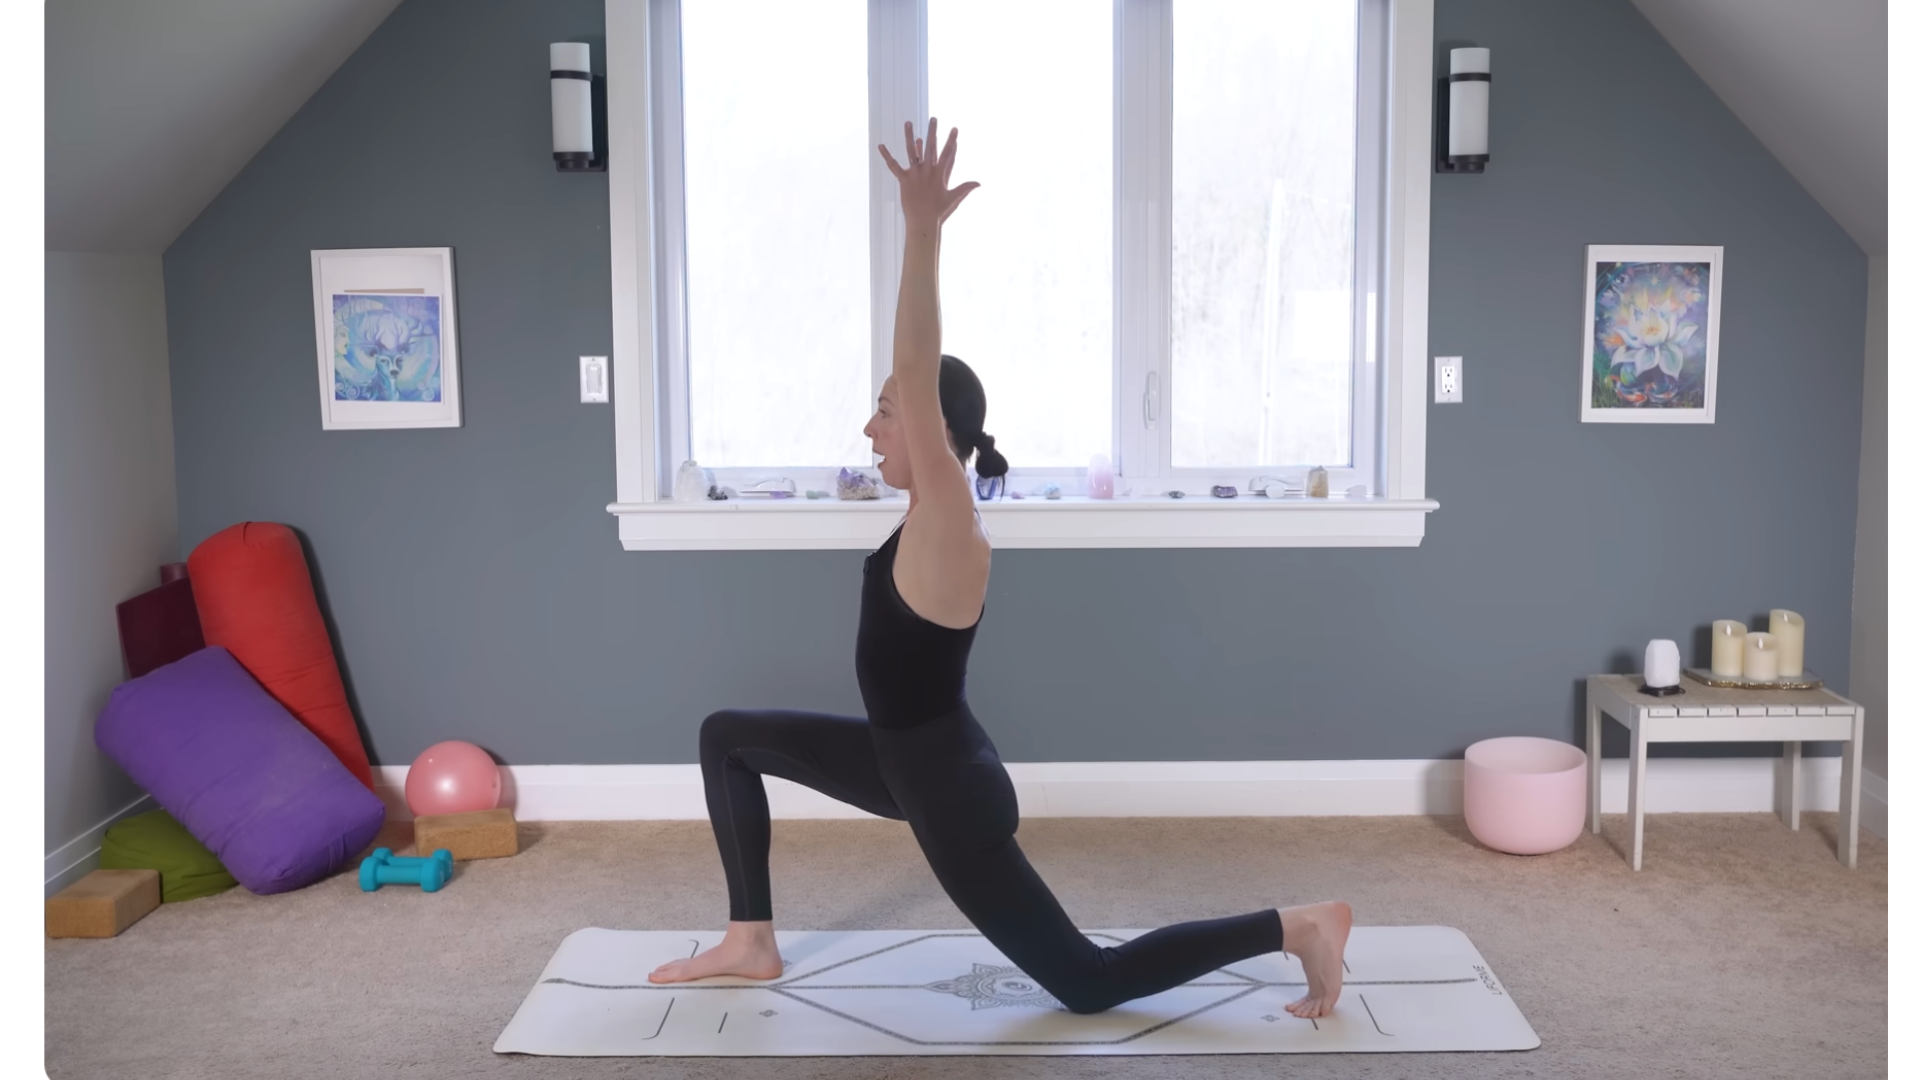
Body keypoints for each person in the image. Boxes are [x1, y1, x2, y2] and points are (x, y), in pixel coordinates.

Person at [648, 118, 1351, 1017]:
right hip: (904, 758)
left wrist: (921, 231)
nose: (869, 429)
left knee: (1089, 985)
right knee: (726, 736)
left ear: (939, 436)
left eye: (885, 412)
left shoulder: (949, 517)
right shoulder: (921, 516)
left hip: (949, 795)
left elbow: (916, 357)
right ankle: (750, 942)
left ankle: (1300, 924)